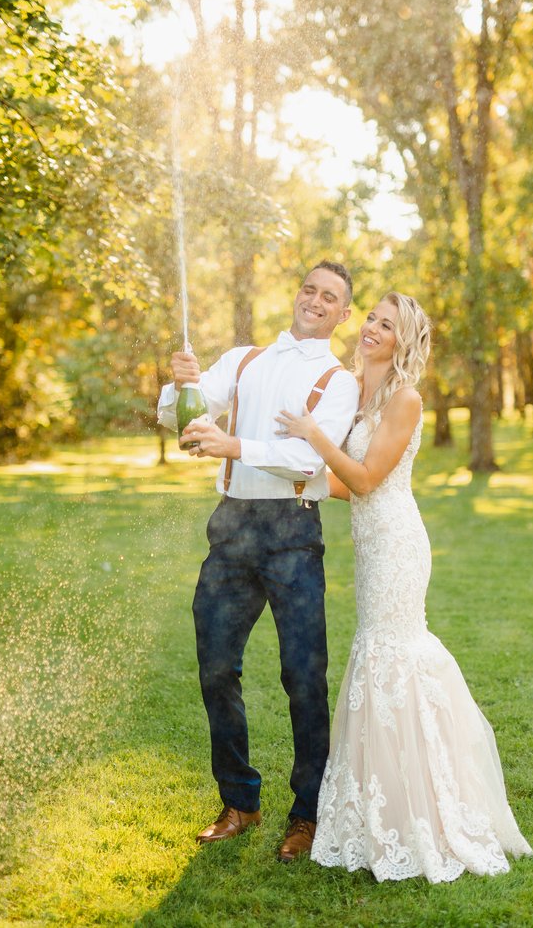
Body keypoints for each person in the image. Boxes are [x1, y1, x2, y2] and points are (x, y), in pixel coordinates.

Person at [275, 291, 533, 882]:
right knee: (377, 656)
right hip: (370, 544)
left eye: (386, 325)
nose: (371, 328)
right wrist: (303, 486)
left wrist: (314, 436)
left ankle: (427, 808)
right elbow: (345, 484)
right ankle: (382, 807)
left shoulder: (406, 399)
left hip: (396, 544)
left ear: (404, 340)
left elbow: (366, 480)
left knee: (393, 655)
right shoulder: (357, 392)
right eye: (370, 317)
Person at [157, 261, 360, 862]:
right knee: (216, 667)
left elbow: (307, 461)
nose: (316, 302)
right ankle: (240, 800)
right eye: (310, 290)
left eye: (330, 298)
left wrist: (236, 444)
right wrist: (180, 385)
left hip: (292, 532)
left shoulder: (338, 380)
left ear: (343, 313)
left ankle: (307, 813)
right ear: (297, 295)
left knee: (303, 677)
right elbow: (183, 423)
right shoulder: (244, 358)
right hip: (232, 526)